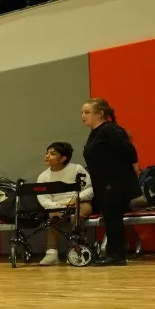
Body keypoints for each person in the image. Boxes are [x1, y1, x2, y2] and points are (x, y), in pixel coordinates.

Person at [80, 98, 138, 267]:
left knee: (113, 219)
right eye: (82, 112)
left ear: (100, 114)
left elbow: (130, 152)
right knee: (111, 219)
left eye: (87, 112)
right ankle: (115, 253)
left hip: (115, 183)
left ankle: (116, 255)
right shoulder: (95, 132)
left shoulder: (110, 130)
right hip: (103, 183)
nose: (83, 116)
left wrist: (128, 169)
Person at [36, 142, 94, 266]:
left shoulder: (77, 169)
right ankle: (51, 253)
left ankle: (74, 250)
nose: (47, 156)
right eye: (47, 153)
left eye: (52, 154)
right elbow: (43, 199)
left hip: (80, 202)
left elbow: (90, 189)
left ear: (63, 158)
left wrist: (77, 199)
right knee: (52, 218)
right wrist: (57, 206)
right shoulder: (43, 177)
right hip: (58, 206)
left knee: (76, 217)